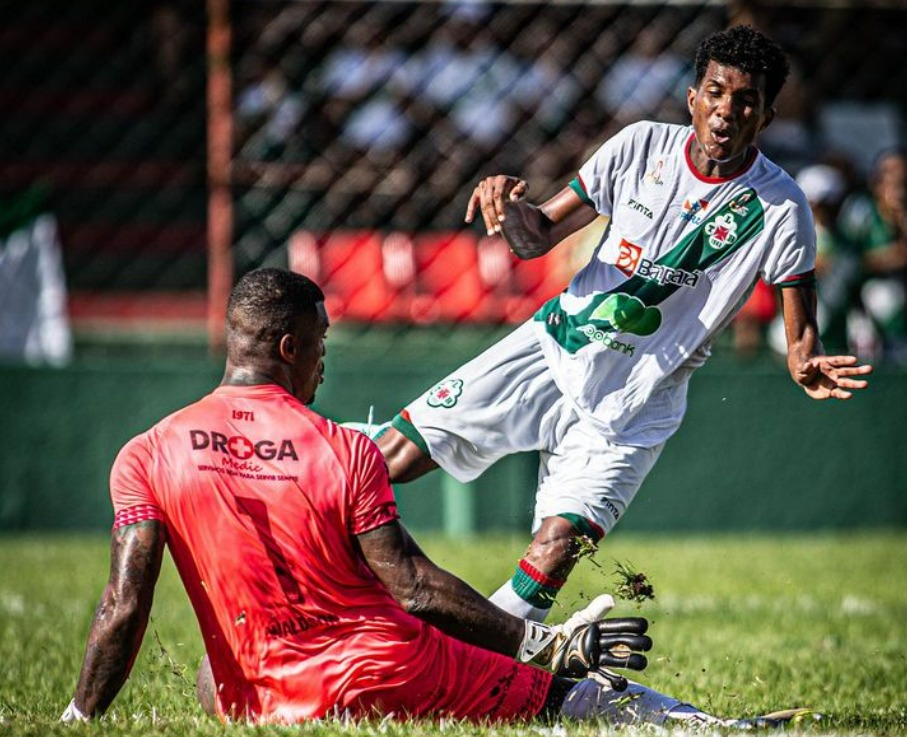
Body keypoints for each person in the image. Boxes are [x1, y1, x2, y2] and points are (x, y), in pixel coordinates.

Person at [61, 267, 785, 728]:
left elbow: (123, 605)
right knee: (563, 696)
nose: (324, 360)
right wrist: (543, 643)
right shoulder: (341, 447)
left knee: (207, 677)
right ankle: (708, 729)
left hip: (263, 698)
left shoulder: (149, 450)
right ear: (289, 348)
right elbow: (410, 587)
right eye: (320, 342)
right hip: (382, 672)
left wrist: (77, 714)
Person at [370, 25, 873, 623]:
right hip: (554, 349)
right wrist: (510, 211)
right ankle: (288, 543)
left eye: (746, 101)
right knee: (389, 458)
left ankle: (480, 652)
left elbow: (801, 325)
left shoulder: (782, 208)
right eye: (716, 92)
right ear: (693, 98)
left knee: (555, 550)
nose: (726, 111)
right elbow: (540, 236)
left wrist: (802, 358)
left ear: (764, 118)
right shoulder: (639, 148)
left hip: (635, 407)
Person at [838, 147, 907, 362]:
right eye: (889, 176)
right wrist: (889, 257)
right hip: (861, 294)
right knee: (884, 298)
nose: (897, 186)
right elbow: (846, 261)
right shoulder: (861, 210)